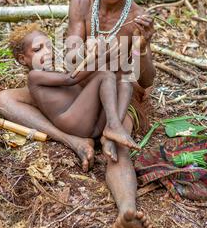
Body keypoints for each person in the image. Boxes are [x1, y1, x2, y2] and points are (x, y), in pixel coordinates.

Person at [0, 0, 155, 228]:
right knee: (5, 99)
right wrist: (107, 52)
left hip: (121, 95)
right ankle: (72, 140)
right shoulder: (81, 4)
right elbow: (72, 62)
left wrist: (142, 47)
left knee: (118, 146)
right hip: (82, 87)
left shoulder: (138, 16)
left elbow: (144, 80)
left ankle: (126, 212)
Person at [9, 23, 138, 150]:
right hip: (73, 124)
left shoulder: (53, 72)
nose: (47, 52)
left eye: (49, 46)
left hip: (91, 123)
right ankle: (113, 126)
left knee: (125, 84)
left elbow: (79, 82)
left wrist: (96, 56)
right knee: (105, 75)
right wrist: (104, 59)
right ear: (22, 59)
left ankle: (111, 132)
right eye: (38, 49)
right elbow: (70, 79)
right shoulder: (34, 76)